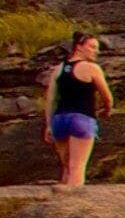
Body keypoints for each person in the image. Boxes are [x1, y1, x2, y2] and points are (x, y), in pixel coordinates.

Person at [38, 30, 111, 186]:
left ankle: (61, 203)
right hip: (81, 118)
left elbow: (50, 99)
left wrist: (49, 125)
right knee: (77, 167)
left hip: (60, 120)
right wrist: (107, 109)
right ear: (79, 47)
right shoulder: (91, 68)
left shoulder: (60, 68)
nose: (96, 51)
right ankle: (73, 206)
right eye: (92, 47)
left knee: (66, 167)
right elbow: (107, 97)